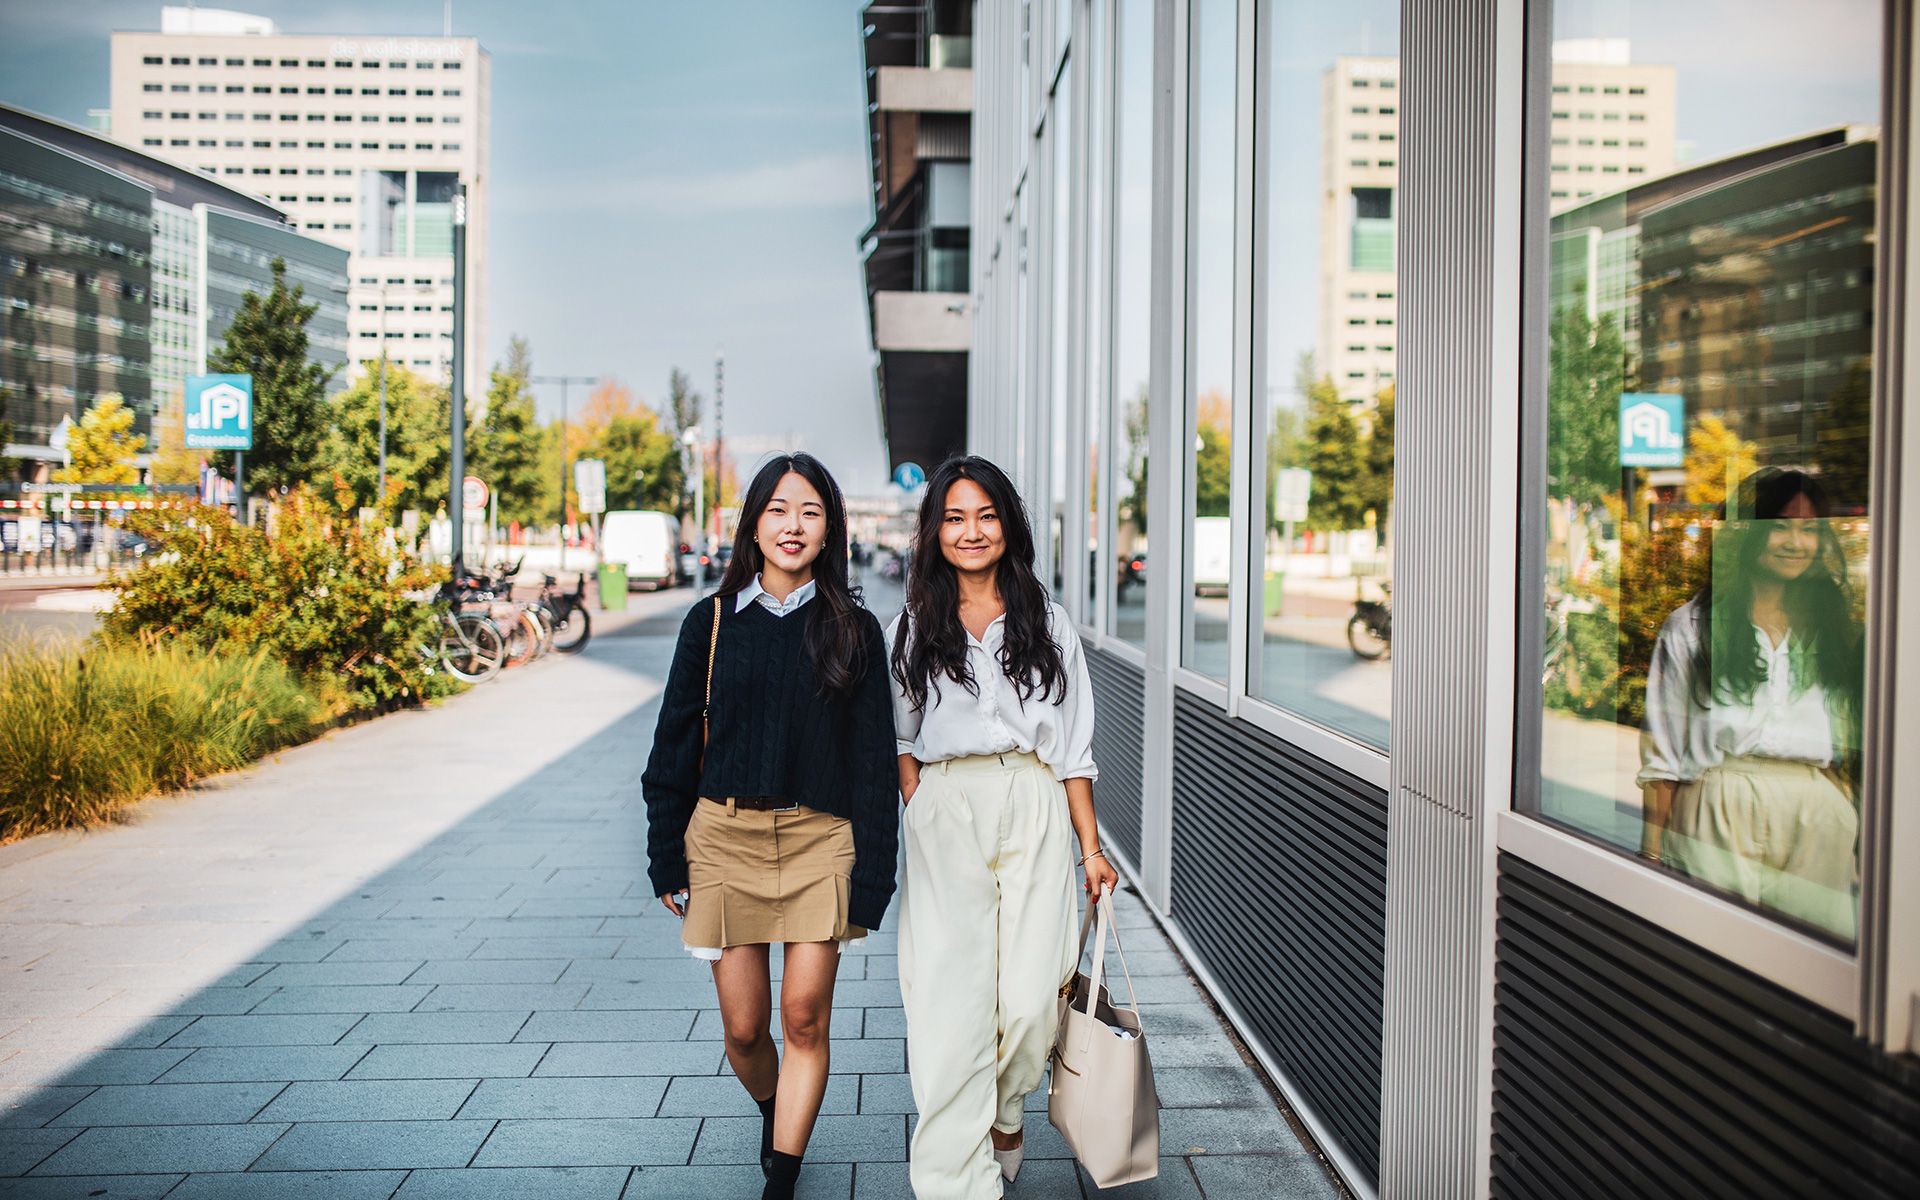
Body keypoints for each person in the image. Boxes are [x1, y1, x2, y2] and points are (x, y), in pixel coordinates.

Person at [642, 452, 900, 1200]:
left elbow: (874, 765)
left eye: (810, 511)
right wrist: (667, 856)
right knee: (747, 1030)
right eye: (779, 509)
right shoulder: (713, 622)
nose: (793, 525)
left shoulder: (853, 628)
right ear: (754, 522)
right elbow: (672, 746)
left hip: (822, 841)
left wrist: (873, 878)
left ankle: (781, 1181)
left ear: (830, 529)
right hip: (723, 840)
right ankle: (772, 1109)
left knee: (803, 1018)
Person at [887, 455, 1119, 1199]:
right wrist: (921, 804)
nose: (971, 530)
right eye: (954, 517)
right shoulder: (915, 621)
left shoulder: (1046, 621)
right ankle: (956, 1179)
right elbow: (900, 736)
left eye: (985, 515)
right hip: (948, 805)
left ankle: (1007, 1109)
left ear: (1008, 525)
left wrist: (1092, 847)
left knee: (1028, 1001)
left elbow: (1074, 744)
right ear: (934, 531)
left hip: (1036, 799)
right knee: (949, 1004)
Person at [1638, 467, 1865, 939]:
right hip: (1718, 799)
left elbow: (1856, 743)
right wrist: (1651, 858)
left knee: (1816, 965)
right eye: (1780, 525)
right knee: (1710, 952)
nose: (1795, 542)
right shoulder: (1693, 625)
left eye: (1811, 529)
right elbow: (1662, 756)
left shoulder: (1837, 631)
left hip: (1816, 806)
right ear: (1745, 535)